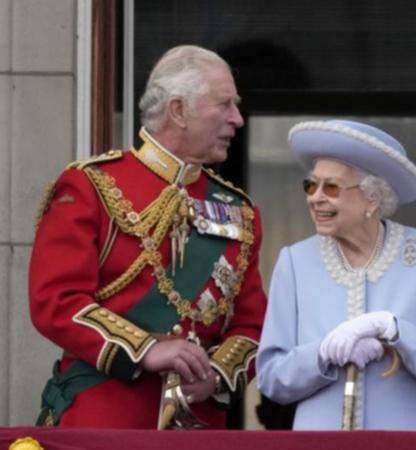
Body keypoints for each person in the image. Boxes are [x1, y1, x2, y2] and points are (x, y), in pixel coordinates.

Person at [29, 45, 268, 429]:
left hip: (198, 424)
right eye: (224, 104)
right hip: (104, 419)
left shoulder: (240, 211)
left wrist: (217, 375)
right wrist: (144, 350)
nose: (237, 119)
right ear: (178, 110)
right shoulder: (93, 185)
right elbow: (55, 301)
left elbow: (253, 325)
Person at [256, 119, 416, 430]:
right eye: (310, 185)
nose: (315, 197)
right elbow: (272, 378)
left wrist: (395, 331)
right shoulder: (295, 262)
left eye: (331, 187)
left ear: (373, 198)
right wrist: (324, 352)